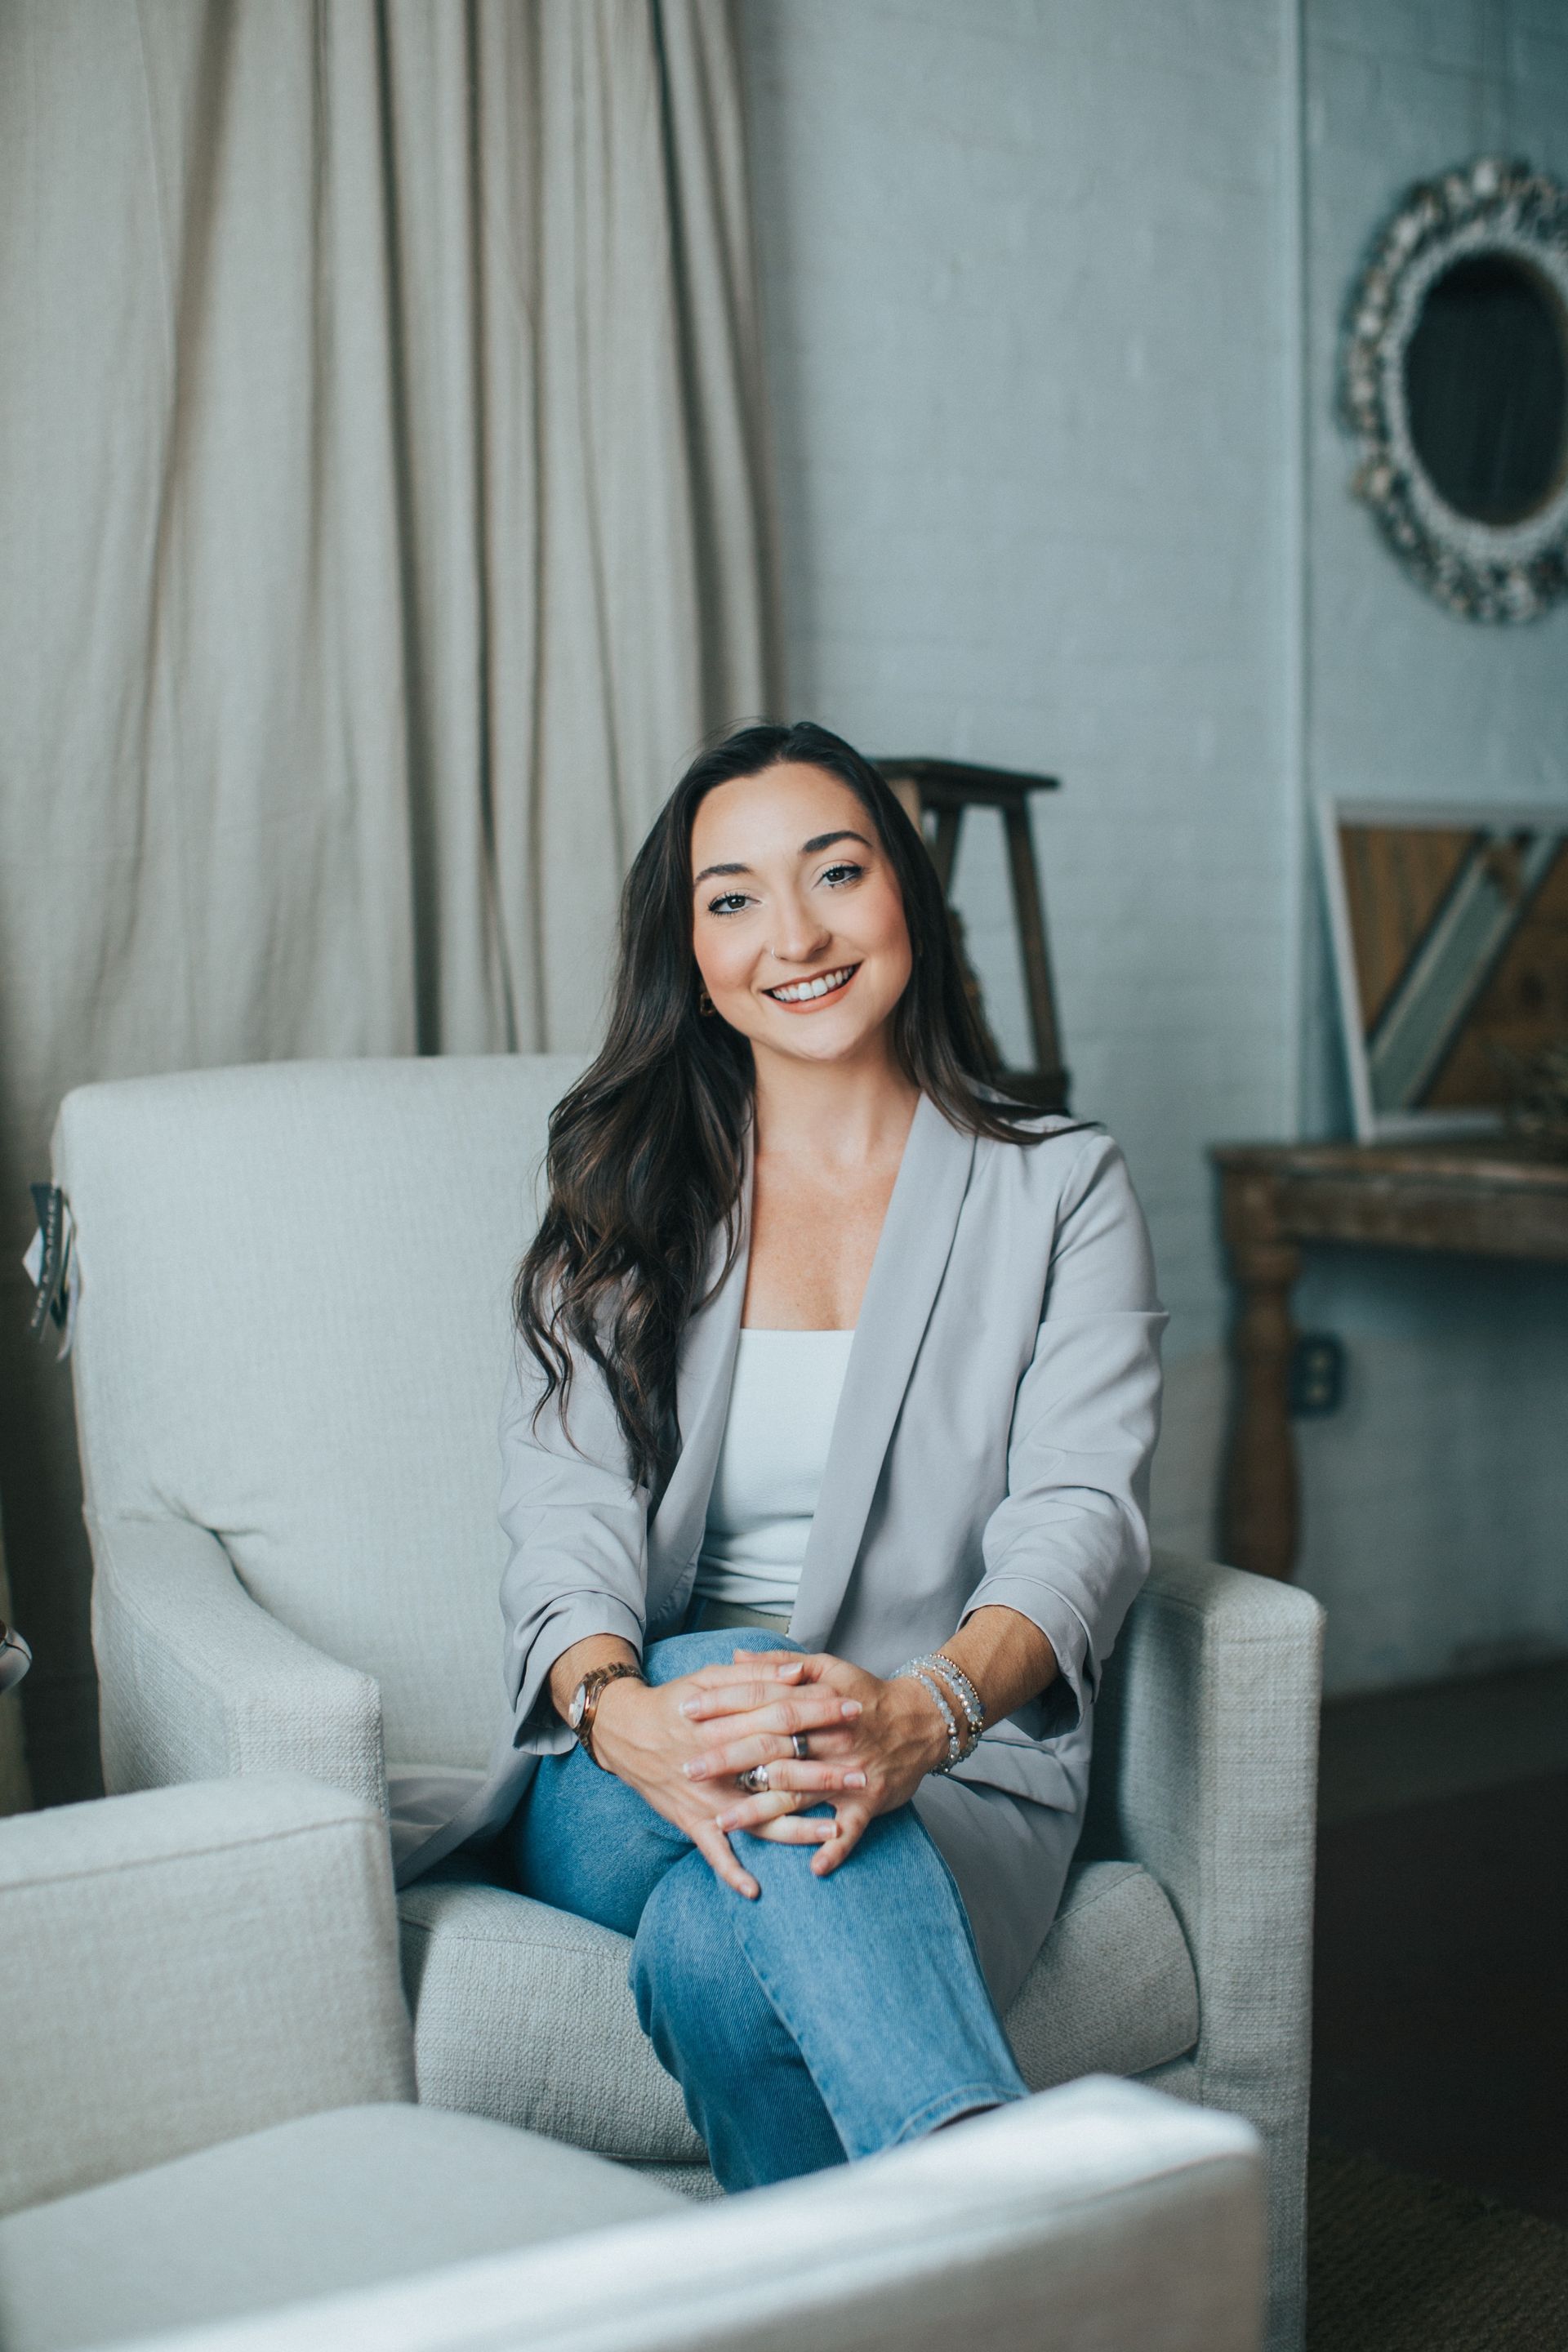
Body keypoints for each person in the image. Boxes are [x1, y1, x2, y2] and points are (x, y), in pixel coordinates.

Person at [399, 719, 1166, 2191]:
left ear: (907, 905)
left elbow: (1083, 1516)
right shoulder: (624, 1200)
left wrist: (926, 1711)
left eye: (836, 872)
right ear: (691, 955)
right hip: (634, 1762)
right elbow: (564, 1521)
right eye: (735, 898)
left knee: (711, 1948)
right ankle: (1023, 2231)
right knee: (735, 1699)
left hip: (953, 1770)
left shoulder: (1059, 1187)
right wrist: (614, 1703)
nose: (795, 934)